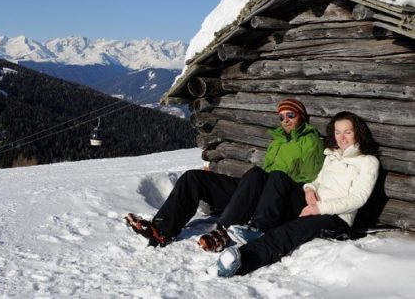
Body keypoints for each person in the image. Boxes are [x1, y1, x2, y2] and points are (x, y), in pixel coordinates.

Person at [125, 98, 324, 250]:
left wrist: (271, 184)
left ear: (302, 117)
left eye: (291, 115)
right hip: (255, 190)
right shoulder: (278, 140)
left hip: (277, 198)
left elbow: (308, 179)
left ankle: (223, 232)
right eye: (281, 117)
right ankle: (161, 230)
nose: (285, 120)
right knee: (194, 178)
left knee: (256, 174)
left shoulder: (312, 143)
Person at [215, 111, 380, 278]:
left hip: (336, 218)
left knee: (289, 231)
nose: (342, 137)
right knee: (278, 177)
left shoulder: (368, 161)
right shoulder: (333, 155)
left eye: (348, 132)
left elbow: (358, 199)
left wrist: (318, 208)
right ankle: (260, 228)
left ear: (357, 133)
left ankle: (242, 261)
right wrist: (309, 189)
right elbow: (317, 180)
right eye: (338, 132)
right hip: (314, 205)